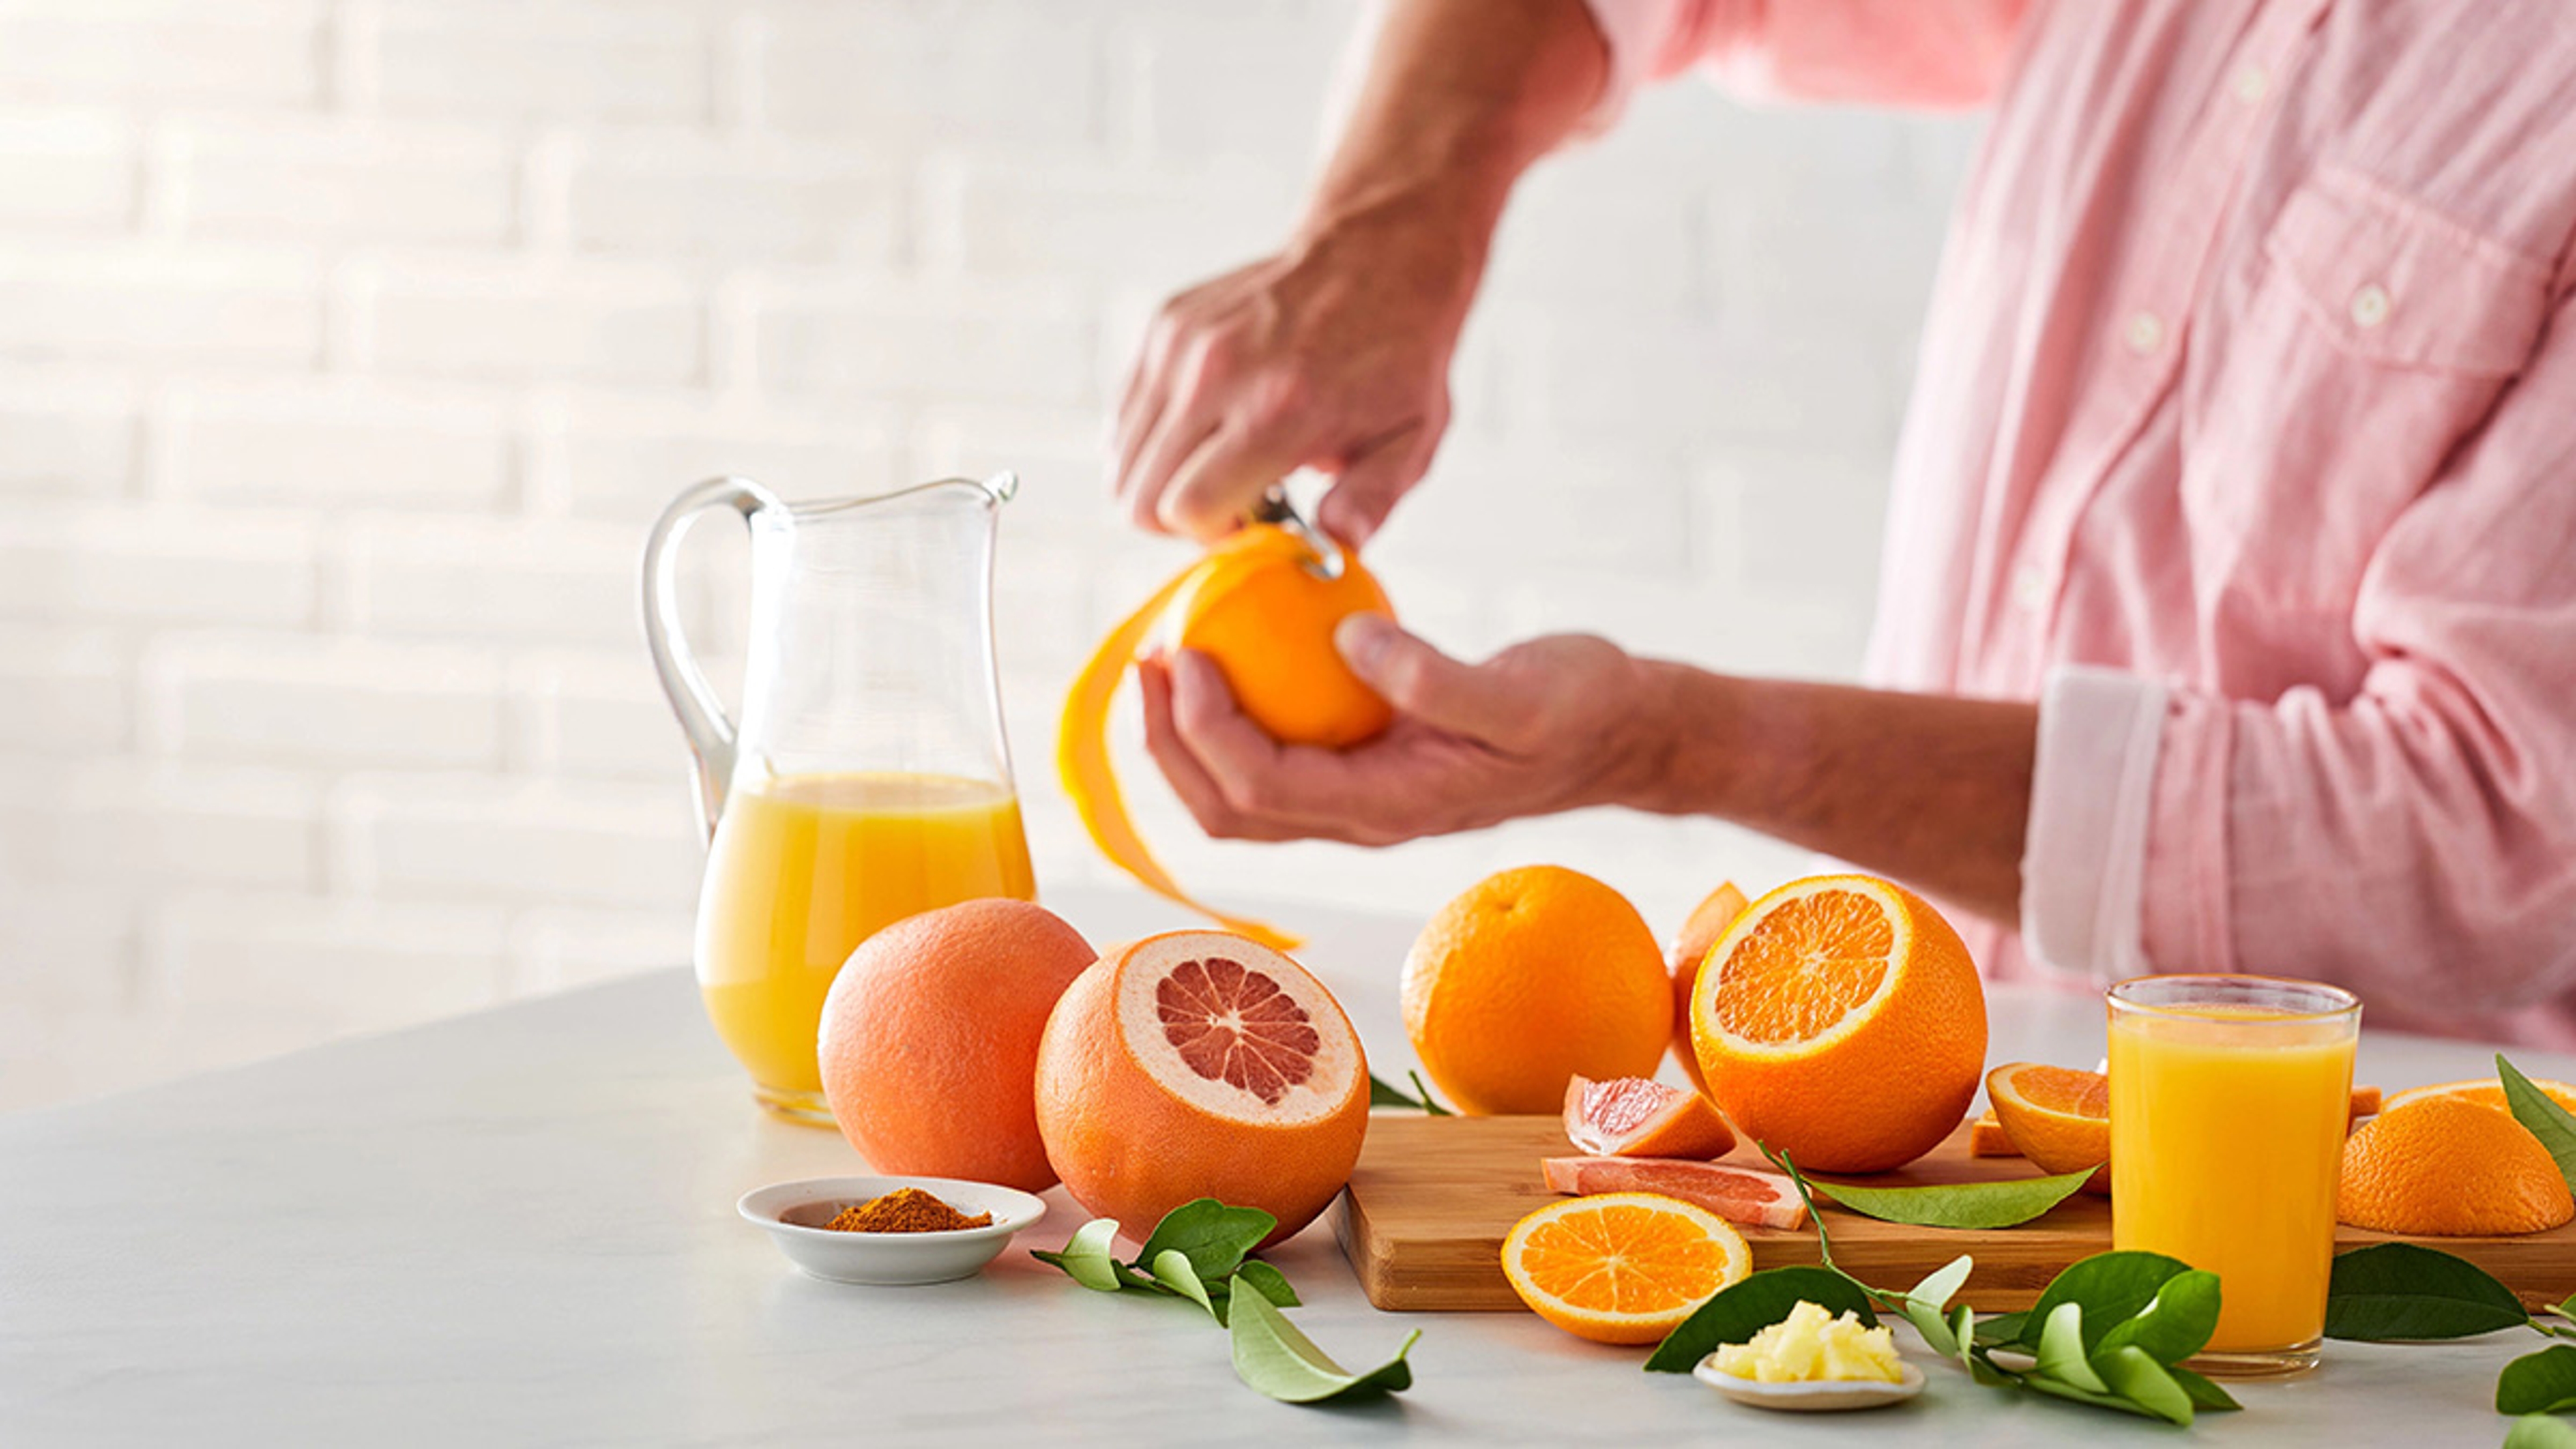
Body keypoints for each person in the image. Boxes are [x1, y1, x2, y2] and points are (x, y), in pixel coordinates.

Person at [1108, 0, 2576, 1042]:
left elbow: (2490, 834)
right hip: (1923, 1106)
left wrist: (1675, 744)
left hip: (2391, 1244)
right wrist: (1393, 223)